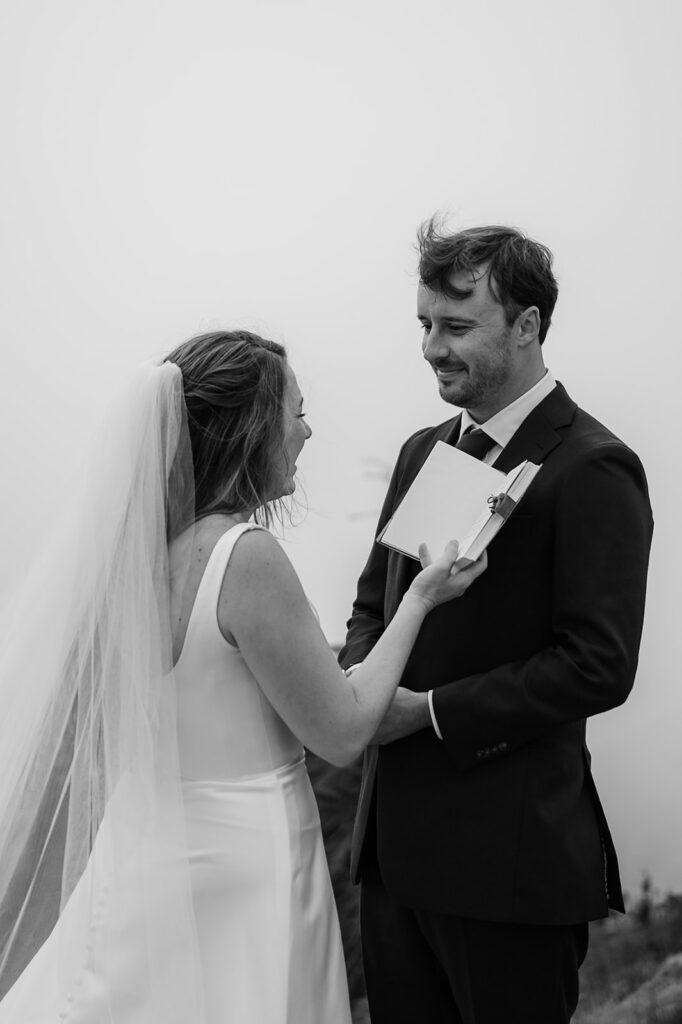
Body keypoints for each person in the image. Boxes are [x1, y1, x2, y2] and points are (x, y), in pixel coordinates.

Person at [0, 330, 486, 1024]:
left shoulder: (129, 565)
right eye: (296, 412)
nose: (308, 431)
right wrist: (421, 599)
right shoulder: (244, 556)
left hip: (148, 865)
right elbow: (342, 731)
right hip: (250, 865)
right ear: (251, 428)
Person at [339, 222, 653, 1024]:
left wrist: (428, 713)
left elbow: (596, 664)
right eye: (424, 325)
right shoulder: (423, 450)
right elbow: (373, 606)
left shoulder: (592, 466)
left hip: (508, 868)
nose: (432, 348)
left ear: (528, 325)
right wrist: (365, 692)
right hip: (394, 861)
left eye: (456, 326)